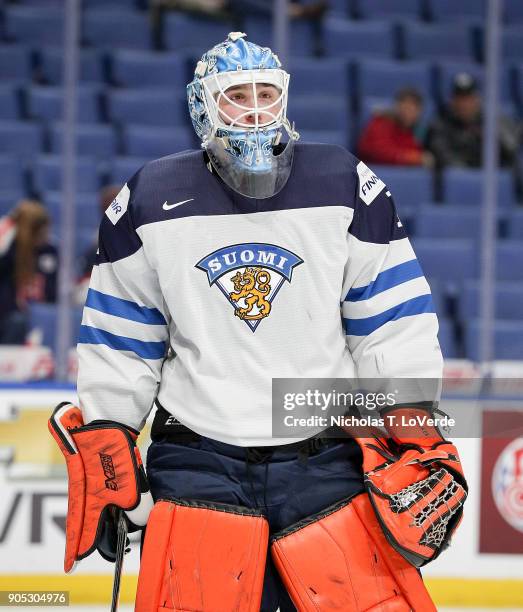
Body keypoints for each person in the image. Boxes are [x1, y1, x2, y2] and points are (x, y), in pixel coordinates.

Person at [49, 33, 467, 611]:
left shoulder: (344, 183)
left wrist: (413, 421)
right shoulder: (149, 198)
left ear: (286, 99)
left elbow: (391, 323)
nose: (253, 109)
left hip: (326, 458)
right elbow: (123, 340)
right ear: (203, 106)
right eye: (235, 96)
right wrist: (110, 430)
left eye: (266, 94)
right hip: (198, 462)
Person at [426, 72, 521, 169]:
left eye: (468, 98)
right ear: (452, 101)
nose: (464, 104)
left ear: (477, 100)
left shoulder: (490, 120)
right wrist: (470, 174)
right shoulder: (442, 123)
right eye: (460, 99)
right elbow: (442, 153)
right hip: (461, 180)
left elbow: (511, 148)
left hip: (492, 178)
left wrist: (492, 131)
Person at [0, 200, 56, 345]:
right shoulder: (10, 253)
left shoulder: (50, 252)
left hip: (41, 315)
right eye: (41, 231)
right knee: (18, 321)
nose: (45, 235)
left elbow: (53, 293)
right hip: (11, 317)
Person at [357, 87, 434, 167]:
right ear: (396, 107)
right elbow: (379, 152)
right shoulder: (380, 124)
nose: (407, 113)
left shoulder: (415, 132)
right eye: (405, 107)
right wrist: (412, 158)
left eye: (413, 109)